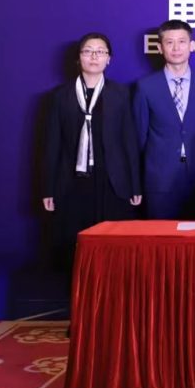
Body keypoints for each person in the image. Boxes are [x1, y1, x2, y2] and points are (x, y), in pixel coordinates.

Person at [42, 33, 141, 267]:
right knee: (74, 243)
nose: (94, 56)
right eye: (88, 51)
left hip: (112, 180)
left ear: (109, 59)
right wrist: (48, 188)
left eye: (100, 52)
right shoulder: (60, 96)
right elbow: (52, 145)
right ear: (79, 58)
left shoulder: (121, 94)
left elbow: (129, 141)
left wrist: (135, 185)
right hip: (72, 180)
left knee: (112, 243)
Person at [133, 19, 195, 219]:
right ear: (160, 48)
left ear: (192, 46)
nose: (176, 48)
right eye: (169, 42)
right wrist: (136, 183)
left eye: (182, 42)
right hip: (159, 181)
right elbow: (138, 139)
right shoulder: (145, 87)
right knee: (160, 237)